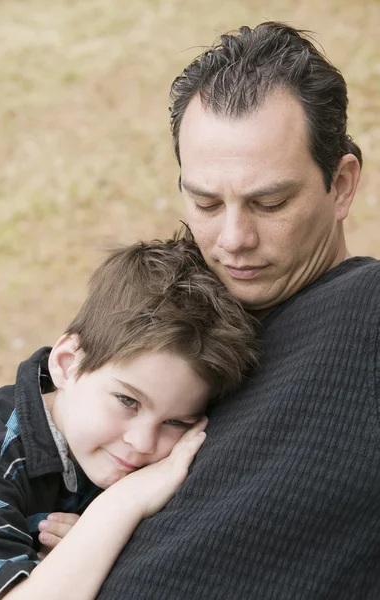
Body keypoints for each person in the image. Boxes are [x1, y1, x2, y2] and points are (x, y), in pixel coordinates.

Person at [92, 22, 380, 600]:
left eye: (269, 202)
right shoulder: (169, 309)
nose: (232, 239)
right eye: (204, 202)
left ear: (342, 185)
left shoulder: (368, 313)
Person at [0, 231, 258, 600]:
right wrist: (116, 510)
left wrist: (85, 548)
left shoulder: (101, 446)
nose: (143, 443)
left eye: (176, 422)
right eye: (128, 401)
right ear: (67, 364)